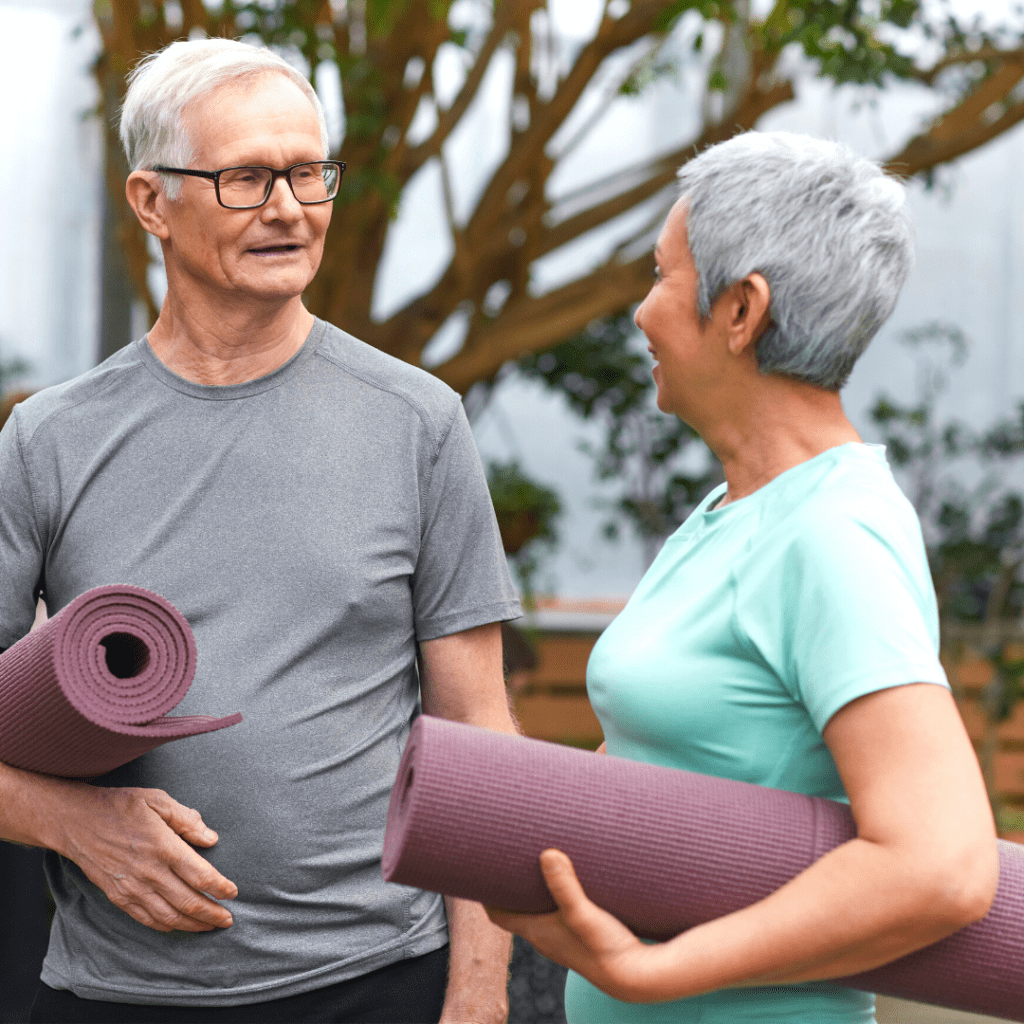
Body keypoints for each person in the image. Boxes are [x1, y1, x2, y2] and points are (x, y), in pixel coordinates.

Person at [0, 38, 521, 1024]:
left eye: (308, 171)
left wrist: (480, 990)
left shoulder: (417, 420)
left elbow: (476, 731)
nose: (289, 206)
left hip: (376, 985)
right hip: (116, 993)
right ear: (152, 202)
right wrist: (71, 822)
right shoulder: (48, 439)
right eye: (246, 177)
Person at [487, 132, 999, 1023]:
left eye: (661, 276)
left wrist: (661, 972)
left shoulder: (832, 535)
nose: (641, 311)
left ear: (740, 311)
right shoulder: (737, 508)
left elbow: (942, 864)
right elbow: (688, 757)